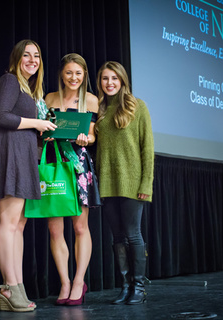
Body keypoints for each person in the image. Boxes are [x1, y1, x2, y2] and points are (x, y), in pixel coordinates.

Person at [0, 39, 57, 312]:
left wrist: (42, 132)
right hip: (10, 155)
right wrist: (37, 123)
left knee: (19, 225)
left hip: (24, 158)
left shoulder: (29, 89)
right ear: (16, 58)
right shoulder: (10, 81)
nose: (32, 60)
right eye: (26, 55)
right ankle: (9, 286)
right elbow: (0, 116)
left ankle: (16, 287)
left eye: (36, 55)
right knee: (8, 222)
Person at [44, 53, 101, 306]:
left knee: (80, 227)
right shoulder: (49, 99)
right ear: (61, 74)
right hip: (55, 163)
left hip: (78, 164)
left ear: (84, 75)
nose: (74, 78)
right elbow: (44, 129)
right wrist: (44, 135)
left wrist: (86, 139)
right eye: (69, 72)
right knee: (55, 229)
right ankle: (65, 282)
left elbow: (92, 136)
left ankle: (79, 281)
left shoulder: (91, 100)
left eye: (78, 73)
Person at [95, 61, 154, 305]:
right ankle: (125, 286)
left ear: (122, 81)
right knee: (117, 237)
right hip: (107, 183)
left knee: (133, 235)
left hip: (132, 182)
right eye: (105, 79)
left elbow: (147, 148)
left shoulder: (137, 106)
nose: (109, 83)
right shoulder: (98, 109)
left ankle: (139, 288)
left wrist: (146, 184)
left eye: (114, 79)